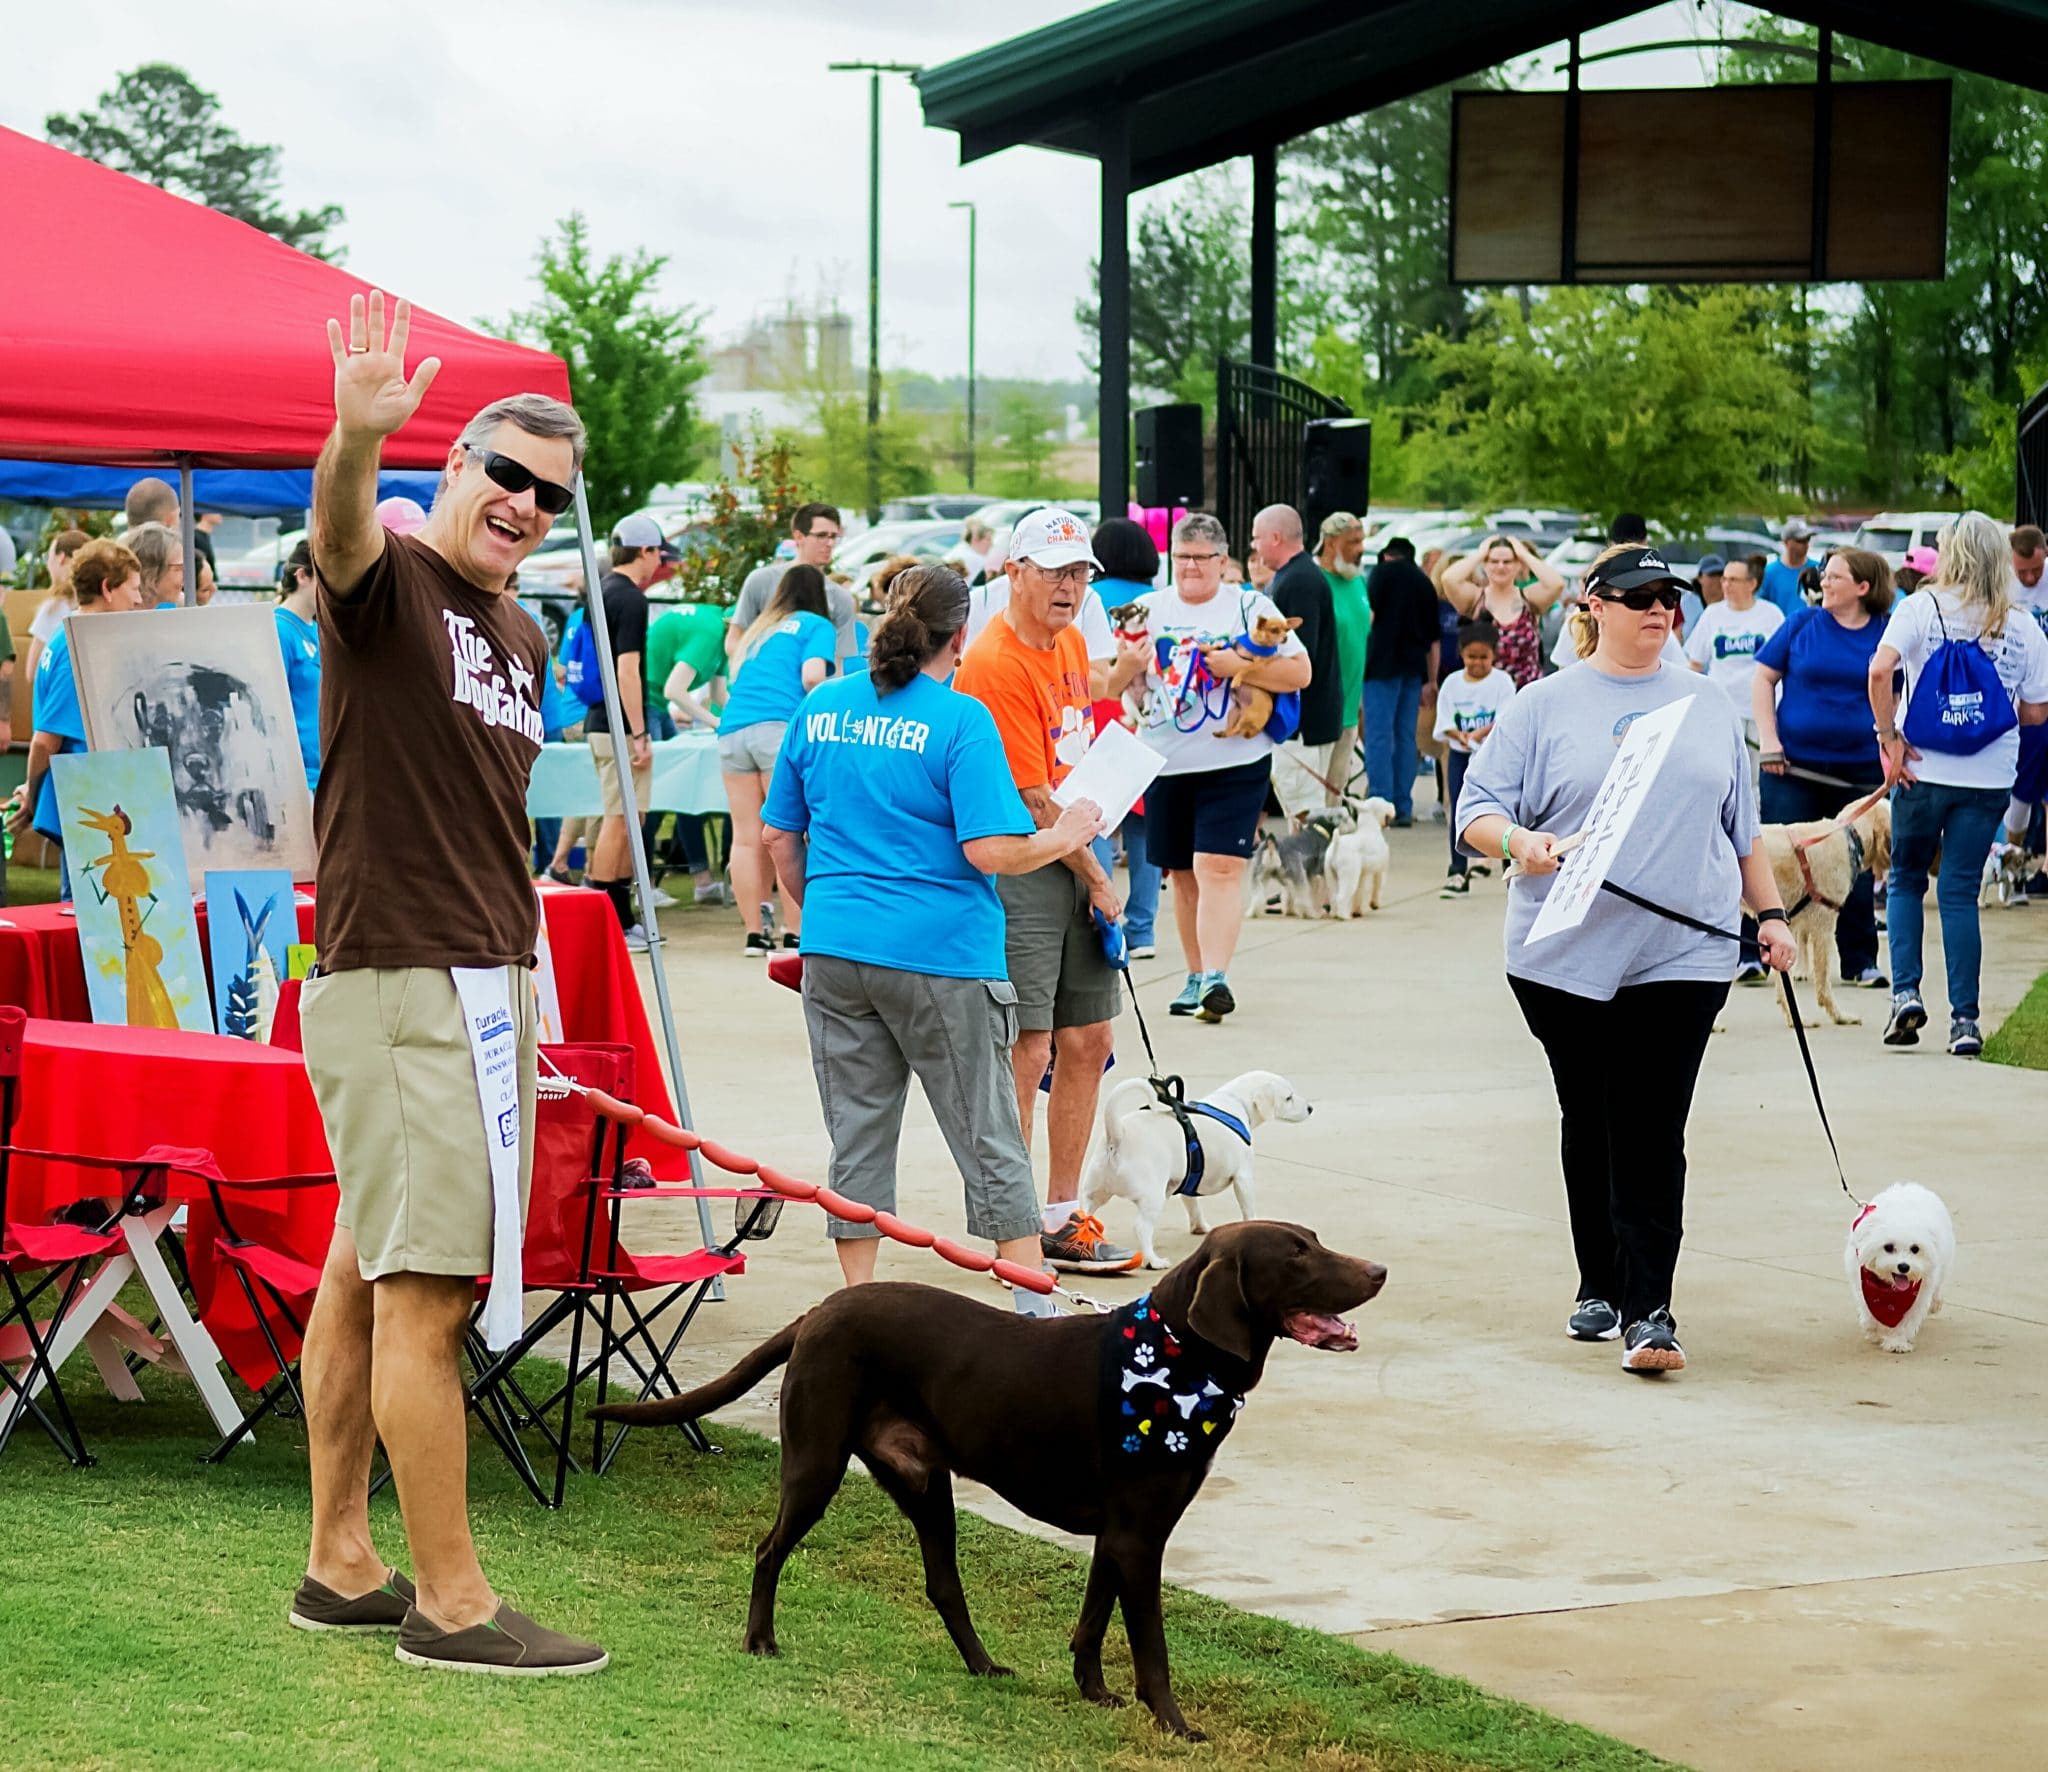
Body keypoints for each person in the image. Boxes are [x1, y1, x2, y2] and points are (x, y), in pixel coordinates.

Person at [294, 289, 603, 1674]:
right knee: (426, 1289)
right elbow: (339, 536)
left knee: (365, 1268)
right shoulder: (393, 585)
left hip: (478, 982)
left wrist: (521, 981)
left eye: (550, 495)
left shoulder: (521, 635)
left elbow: (483, 813)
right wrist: (354, 439)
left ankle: (339, 1561)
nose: (525, 505)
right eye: (507, 475)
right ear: (456, 467)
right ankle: (453, 1602)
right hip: (397, 974)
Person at [1457, 542, 1796, 1376]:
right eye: (1639, 596)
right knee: (1591, 1116)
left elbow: (1742, 829)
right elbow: (1476, 811)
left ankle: (1650, 1312)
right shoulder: (1543, 705)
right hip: (1563, 954)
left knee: (1651, 1123)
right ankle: (1598, 1282)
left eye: (1667, 597)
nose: (1658, 610)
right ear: (1595, 606)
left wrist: (1772, 915)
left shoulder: (1706, 702)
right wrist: (1521, 842)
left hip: (1685, 949)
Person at [762, 564, 1104, 1301]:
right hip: (941, 955)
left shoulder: (820, 706)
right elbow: (991, 851)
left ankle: (858, 1301)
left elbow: (778, 836)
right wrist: (1067, 834)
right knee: (986, 1131)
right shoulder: (959, 719)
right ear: (959, 635)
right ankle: (1028, 1298)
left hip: (836, 949)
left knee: (857, 1130)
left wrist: (822, 910)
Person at [956, 508, 1144, 1275]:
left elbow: (1072, 750)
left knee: (1090, 1038)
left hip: (1077, 845)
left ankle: (1065, 1214)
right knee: (1028, 1045)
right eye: (1055, 571)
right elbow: (1033, 798)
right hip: (1027, 863)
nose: (1071, 587)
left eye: (1080, 573)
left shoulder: (1067, 641)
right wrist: (1098, 876)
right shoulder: (993, 662)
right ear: (1014, 572)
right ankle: (1014, 1221)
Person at [1869, 511, 2048, 1057]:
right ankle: (1965, 1021)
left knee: (1905, 879)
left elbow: (1879, 671)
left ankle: (1905, 993)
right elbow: (2036, 712)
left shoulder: (1920, 608)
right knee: (1960, 892)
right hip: (1989, 777)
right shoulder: (2021, 624)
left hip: (1921, 770)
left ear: (1950, 554)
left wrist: (1889, 737)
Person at [1131, 511, 1310, 1019]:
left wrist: (1240, 667)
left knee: (1220, 866)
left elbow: (1300, 672)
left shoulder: (1250, 607)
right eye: (1181, 557)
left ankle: (1216, 977)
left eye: (1201, 558)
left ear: (1223, 560)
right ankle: (1194, 976)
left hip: (1235, 760)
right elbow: (1119, 671)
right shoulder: (1150, 608)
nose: (1190, 567)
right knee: (1183, 874)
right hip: (1166, 761)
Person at [1750, 547, 1894, 990]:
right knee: (1776, 862)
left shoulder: (1887, 632)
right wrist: (1769, 741)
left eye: (1833, 576)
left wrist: (1893, 747)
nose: (1823, 582)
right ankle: (1755, 954)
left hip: (1861, 773)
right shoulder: (1801, 624)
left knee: (1854, 868)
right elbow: (1763, 678)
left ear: (1863, 587)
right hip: (1792, 769)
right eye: (1823, 575)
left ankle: (1860, 960)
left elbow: (1899, 692)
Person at [7, 538, 147, 886]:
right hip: (89, 799)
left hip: (90, 798)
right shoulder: (77, 649)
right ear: (107, 588)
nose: (139, 599)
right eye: (133, 588)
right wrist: (32, 796)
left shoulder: (66, 635)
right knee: (88, 906)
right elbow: (45, 741)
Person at [721, 562, 836, 955]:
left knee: (745, 837)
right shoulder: (817, 625)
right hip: (778, 729)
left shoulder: (761, 629)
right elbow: (812, 676)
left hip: (733, 730)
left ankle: (754, 933)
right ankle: (795, 930)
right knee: (787, 832)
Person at [582, 514, 672, 949]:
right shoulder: (632, 598)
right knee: (621, 820)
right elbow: (627, 670)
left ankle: (619, 913)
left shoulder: (600, 588)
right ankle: (606, 917)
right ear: (645, 551)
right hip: (617, 723)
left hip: (599, 717)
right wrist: (639, 732)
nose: (660, 562)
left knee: (627, 818)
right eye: (658, 553)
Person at [1085, 515, 1162, 957]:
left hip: (1098, 713)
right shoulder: (1159, 602)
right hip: (1146, 719)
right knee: (1144, 825)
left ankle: (1105, 923)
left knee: (1095, 819)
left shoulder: (1089, 600)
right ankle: (1144, 928)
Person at [1256, 504, 1342, 819]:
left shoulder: (1299, 581)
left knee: (1307, 812)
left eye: (1257, 537)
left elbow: (1302, 655)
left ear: (1275, 538)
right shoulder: (1296, 576)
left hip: (1302, 722)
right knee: (1303, 811)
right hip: (1304, 717)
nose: (1254, 545)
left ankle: (1317, 855)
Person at [649, 598, 732, 906]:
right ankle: (644, 884)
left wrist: (743, 720)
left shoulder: (723, 637)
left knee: (686, 790)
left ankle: (703, 882)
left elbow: (720, 695)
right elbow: (674, 690)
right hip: (647, 702)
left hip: (657, 705)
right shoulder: (711, 632)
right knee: (654, 798)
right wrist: (717, 723)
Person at [1361, 536, 1442, 826]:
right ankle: (1403, 805)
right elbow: (1434, 640)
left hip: (1380, 666)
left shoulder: (1379, 574)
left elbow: (1368, 619)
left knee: (1379, 735)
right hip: (1413, 669)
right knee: (1406, 736)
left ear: (1386, 555)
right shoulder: (1423, 583)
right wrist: (1431, 680)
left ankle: (1381, 802)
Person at [1432, 620, 1516, 897]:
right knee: (1459, 808)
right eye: (1471, 657)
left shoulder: (1502, 682)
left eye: (1483, 657)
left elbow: (1504, 718)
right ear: (1461, 654)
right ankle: (1457, 870)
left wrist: (1478, 734)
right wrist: (1459, 735)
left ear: (1494, 655)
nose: (1477, 663)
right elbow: (1444, 720)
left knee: (1504, 810)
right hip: (1460, 755)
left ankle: (1510, 868)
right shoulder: (1452, 683)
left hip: (1494, 757)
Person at [729, 503, 854, 669]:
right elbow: (734, 640)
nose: (830, 543)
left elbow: (838, 659)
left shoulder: (841, 597)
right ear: (799, 536)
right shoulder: (761, 580)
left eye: (834, 536)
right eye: (821, 535)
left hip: (811, 681)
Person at [1437, 533, 1567, 689]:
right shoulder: (1475, 598)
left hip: (1527, 690)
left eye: (1507, 561)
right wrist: (1479, 554)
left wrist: (1523, 554)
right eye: (1494, 561)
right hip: (1486, 692)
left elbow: (1557, 583)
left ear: (1517, 565)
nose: (1500, 566)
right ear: (1485, 564)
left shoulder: (1529, 598)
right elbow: (1448, 579)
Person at [1999, 524, 2048, 896]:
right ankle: (2011, 861)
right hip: (2026, 698)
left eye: (2037, 570)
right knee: (2022, 787)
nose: (2030, 578)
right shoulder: (2003, 585)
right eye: (2023, 572)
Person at [1684, 551, 1784, 727]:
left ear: (1751, 584)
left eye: (1733, 580)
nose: (1726, 584)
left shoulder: (1771, 614)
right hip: (1722, 711)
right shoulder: (1712, 614)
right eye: (1724, 579)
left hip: (1762, 711)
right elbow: (1695, 664)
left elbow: (1785, 662)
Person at [1315, 511, 1370, 802]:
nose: (1361, 548)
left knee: (1335, 794)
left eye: (1362, 541)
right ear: (1331, 543)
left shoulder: (1357, 581)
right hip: (1322, 709)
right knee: (1313, 798)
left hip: (1350, 705)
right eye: (1353, 542)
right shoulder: (1315, 582)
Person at [275, 539, 323, 790]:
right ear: (302, 576)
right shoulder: (279, 629)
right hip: (299, 777)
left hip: (323, 773)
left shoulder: (318, 629)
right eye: (325, 579)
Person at [25, 528, 90, 688]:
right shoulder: (99, 603)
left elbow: (32, 672)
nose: (48, 564)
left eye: (49, 557)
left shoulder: (53, 609)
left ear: (61, 558)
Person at [126, 522, 185, 609]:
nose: (185, 578)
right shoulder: (120, 614)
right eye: (179, 568)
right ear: (150, 572)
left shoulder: (183, 607)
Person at [1762, 519, 1813, 616]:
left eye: (1807, 539)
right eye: (1800, 540)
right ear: (1785, 542)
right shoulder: (1769, 572)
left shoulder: (1817, 569)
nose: (1805, 544)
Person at [1679, 552, 1725, 637]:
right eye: (1712, 574)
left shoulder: (1732, 601)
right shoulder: (1686, 603)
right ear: (1699, 577)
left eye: (1720, 574)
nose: (1717, 579)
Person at [192, 509, 224, 588]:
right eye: (215, 510)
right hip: (199, 587)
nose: (220, 514)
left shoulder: (205, 536)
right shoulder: (194, 537)